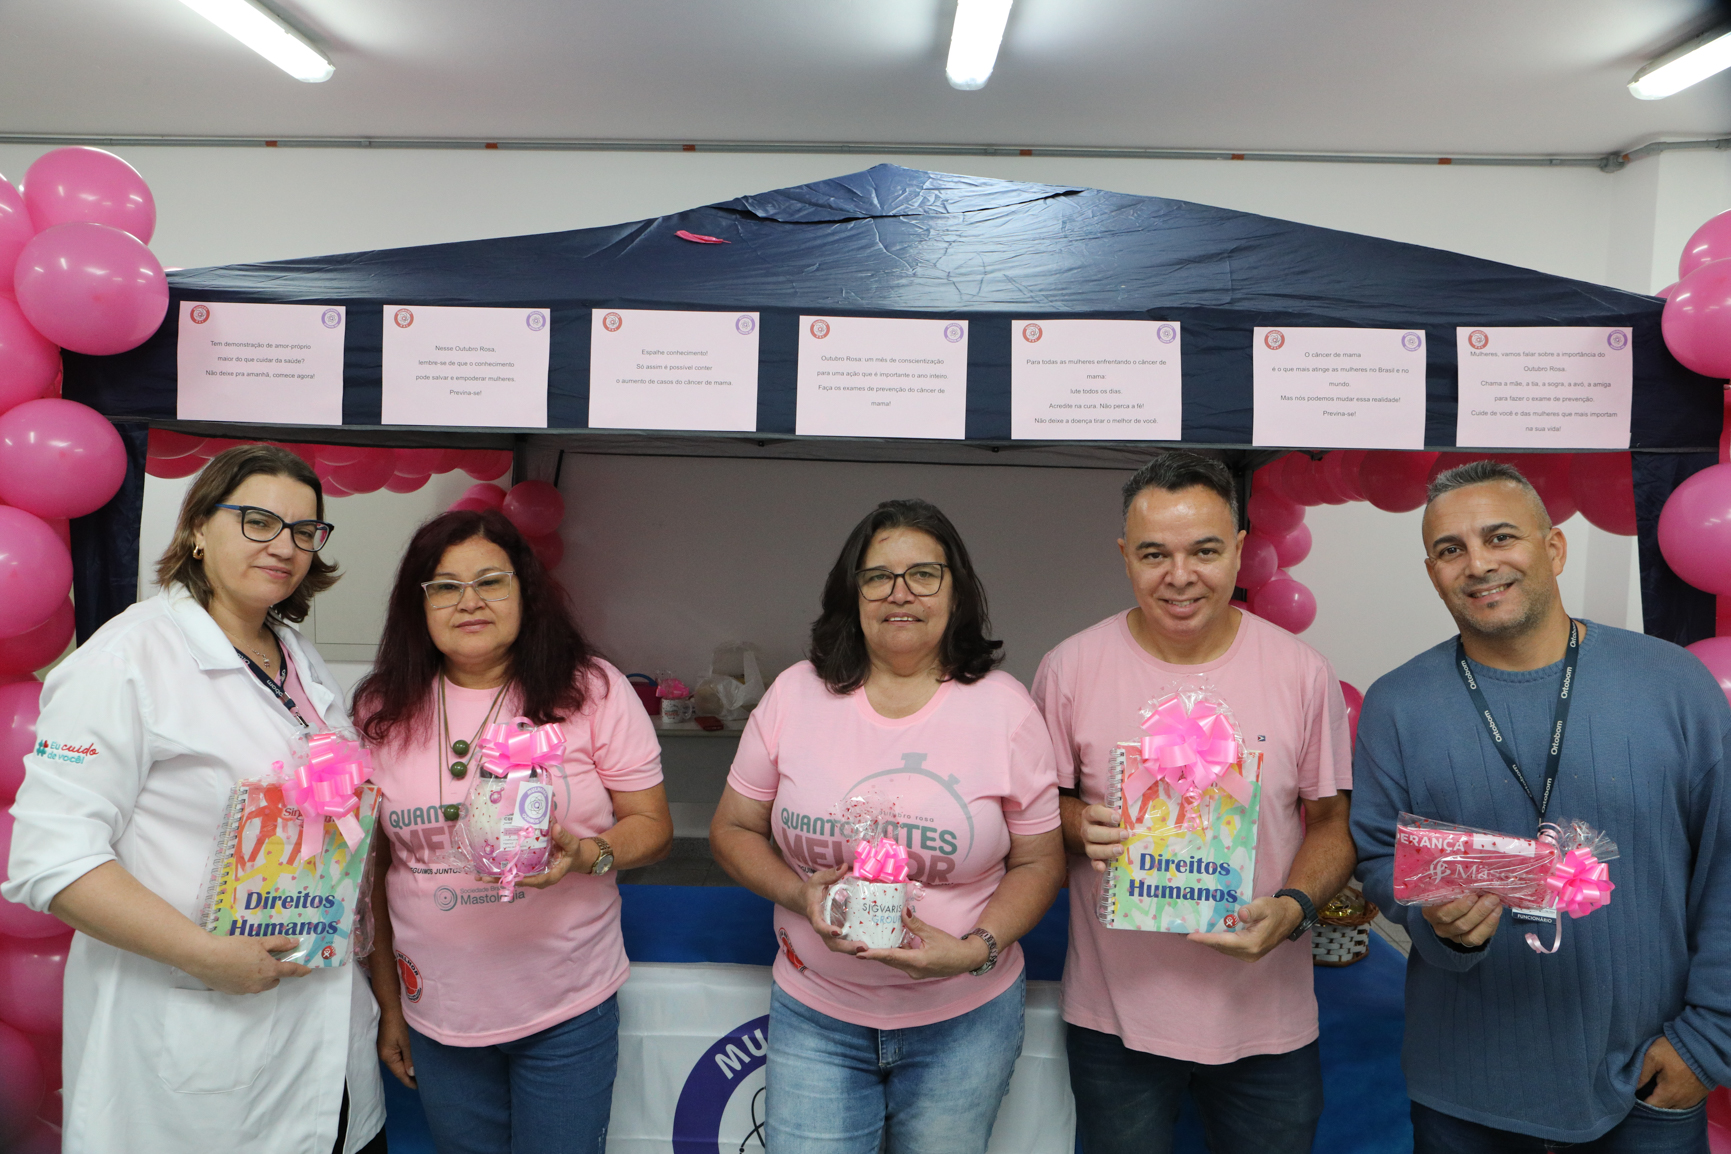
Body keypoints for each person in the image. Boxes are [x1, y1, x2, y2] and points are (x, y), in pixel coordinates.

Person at [2, 444, 384, 1153]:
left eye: (305, 531)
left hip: (322, 1033)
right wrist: (204, 956)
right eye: (258, 521)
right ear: (199, 529)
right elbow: (52, 861)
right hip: (195, 1041)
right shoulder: (125, 660)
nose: (285, 546)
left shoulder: (298, 655)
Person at [1352, 459, 1731, 1152]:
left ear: (1551, 548)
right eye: (1449, 549)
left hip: (1646, 1078)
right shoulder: (1395, 705)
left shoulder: (1672, 685)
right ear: (1432, 571)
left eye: (1500, 537)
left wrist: (1709, 1040)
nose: (1477, 564)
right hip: (1463, 1088)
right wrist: (1435, 922)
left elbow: (1727, 868)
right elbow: (1380, 857)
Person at [710, 497, 1065, 1154]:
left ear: (955, 592)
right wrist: (799, 893)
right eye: (878, 576)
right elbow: (731, 829)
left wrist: (975, 949)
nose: (899, 593)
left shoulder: (1004, 709)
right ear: (852, 591)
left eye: (923, 573)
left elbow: (1040, 861)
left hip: (964, 1020)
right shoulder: (795, 694)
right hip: (817, 1011)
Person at [1033, 450, 1355, 1154]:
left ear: (1239, 551)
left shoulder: (1302, 674)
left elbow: (1332, 823)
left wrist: (1295, 908)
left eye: (1204, 551)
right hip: (1114, 1018)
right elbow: (1033, 814)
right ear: (1124, 556)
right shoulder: (1067, 670)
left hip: (1265, 1020)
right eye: (1154, 553)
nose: (1179, 577)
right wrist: (1072, 823)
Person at [357, 507, 672, 1154]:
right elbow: (376, 873)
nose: (468, 602)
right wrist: (390, 1003)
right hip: (438, 1010)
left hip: (566, 1003)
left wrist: (589, 853)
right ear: (417, 605)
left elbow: (652, 827)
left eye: (490, 582)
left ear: (525, 592)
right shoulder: (381, 710)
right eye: (444, 586)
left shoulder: (590, 689)